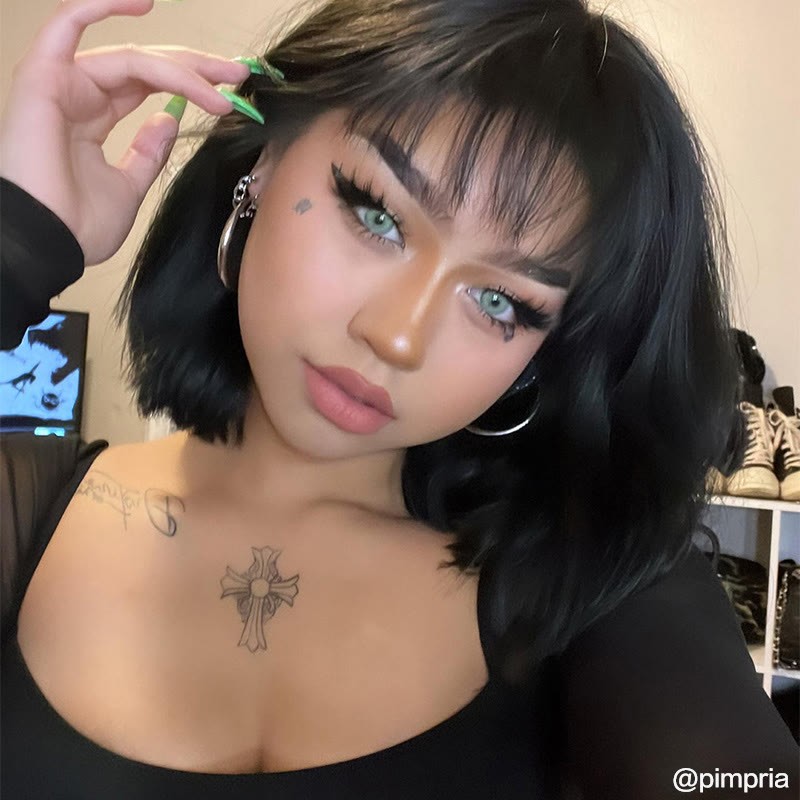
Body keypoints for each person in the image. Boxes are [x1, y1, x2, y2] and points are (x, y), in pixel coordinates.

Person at [0, 0, 797, 797]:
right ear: (261, 163)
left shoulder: (593, 583)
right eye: (377, 215)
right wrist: (17, 245)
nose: (398, 338)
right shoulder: (27, 510)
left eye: (501, 302)